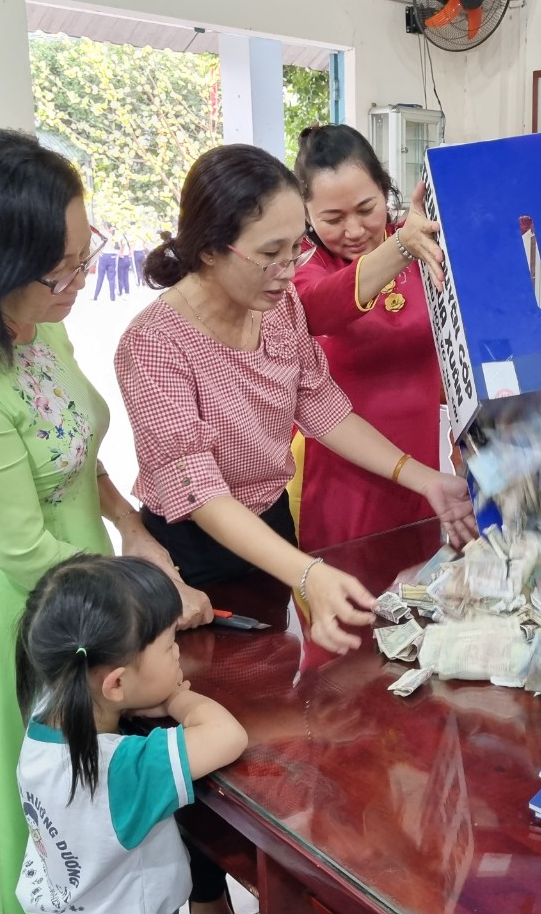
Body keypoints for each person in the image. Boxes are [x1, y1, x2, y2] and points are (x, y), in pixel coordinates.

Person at [0, 130, 212, 914]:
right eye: (61, 269)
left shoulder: (39, 322)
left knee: (100, 818)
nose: (80, 279)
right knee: (36, 829)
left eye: (83, 253)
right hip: (11, 616)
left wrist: (134, 530)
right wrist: (148, 607)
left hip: (84, 590)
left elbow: (75, 451)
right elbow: (23, 551)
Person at [117, 143, 477, 657]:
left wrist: (427, 479)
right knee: (208, 680)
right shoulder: (154, 345)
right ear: (209, 249)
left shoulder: (277, 306)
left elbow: (325, 410)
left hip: (271, 524)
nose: (288, 272)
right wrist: (308, 572)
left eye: (295, 250)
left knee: (277, 669)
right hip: (191, 552)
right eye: (270, 255)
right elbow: (201, 494)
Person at [14, 555, 248, 914]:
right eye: (169, 645)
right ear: (117, 683)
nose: (177, 653)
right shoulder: (118, 772)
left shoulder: (42, 719)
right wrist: (175, 698)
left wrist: (126, 705)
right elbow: (227, 735)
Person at [290, 124, 448, 550]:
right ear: (306, 215)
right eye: (333, 219)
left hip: (422, 466)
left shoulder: (423, 242)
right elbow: (321, 307)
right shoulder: (303, 274)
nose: (355, 230)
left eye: (366, 209)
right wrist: (401, 248)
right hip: (337, 479)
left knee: (418, 582)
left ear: (384, 189)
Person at [93, 225, 118, 301]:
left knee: (100, 278)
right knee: (112, 278)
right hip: (112, 257)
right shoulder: (115, 235)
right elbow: (118, 247)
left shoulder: (102, 233)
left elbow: (94, 240)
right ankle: (112, 297)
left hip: (103, 256)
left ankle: (95, 296)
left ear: (106, 227)